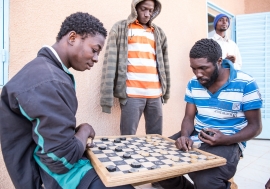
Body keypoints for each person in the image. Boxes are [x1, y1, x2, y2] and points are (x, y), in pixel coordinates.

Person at [0, 12, 134, 189]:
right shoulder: (48, 80)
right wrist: (84, 130)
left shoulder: (46, 71)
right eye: (94, 50)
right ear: (72, 37)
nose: (95, 58)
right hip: (58, 178)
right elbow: (61, 160)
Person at [157, 38, 262, 189]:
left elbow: (256, 127)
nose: (198, 74)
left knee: (206, 179)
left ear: (219, 61)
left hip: (230, 139)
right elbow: (188, 117)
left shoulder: (245, 83)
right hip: (198, 132)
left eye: (203, 68)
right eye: (194, 68)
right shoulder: (193, 83)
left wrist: (226, 139)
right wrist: (185, 135)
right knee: (159, 163)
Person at [100, 0, 170, 135]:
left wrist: (165, 93)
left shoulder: (158, 33)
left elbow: (165, 64)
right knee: (128, 137)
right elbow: (109, 62)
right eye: (143, 9)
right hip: (131, 94)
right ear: (135, 8)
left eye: (150, 10)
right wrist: (106, 98)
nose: (147, 14)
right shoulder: (121, 28)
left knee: (156, 137)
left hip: (155, 94)